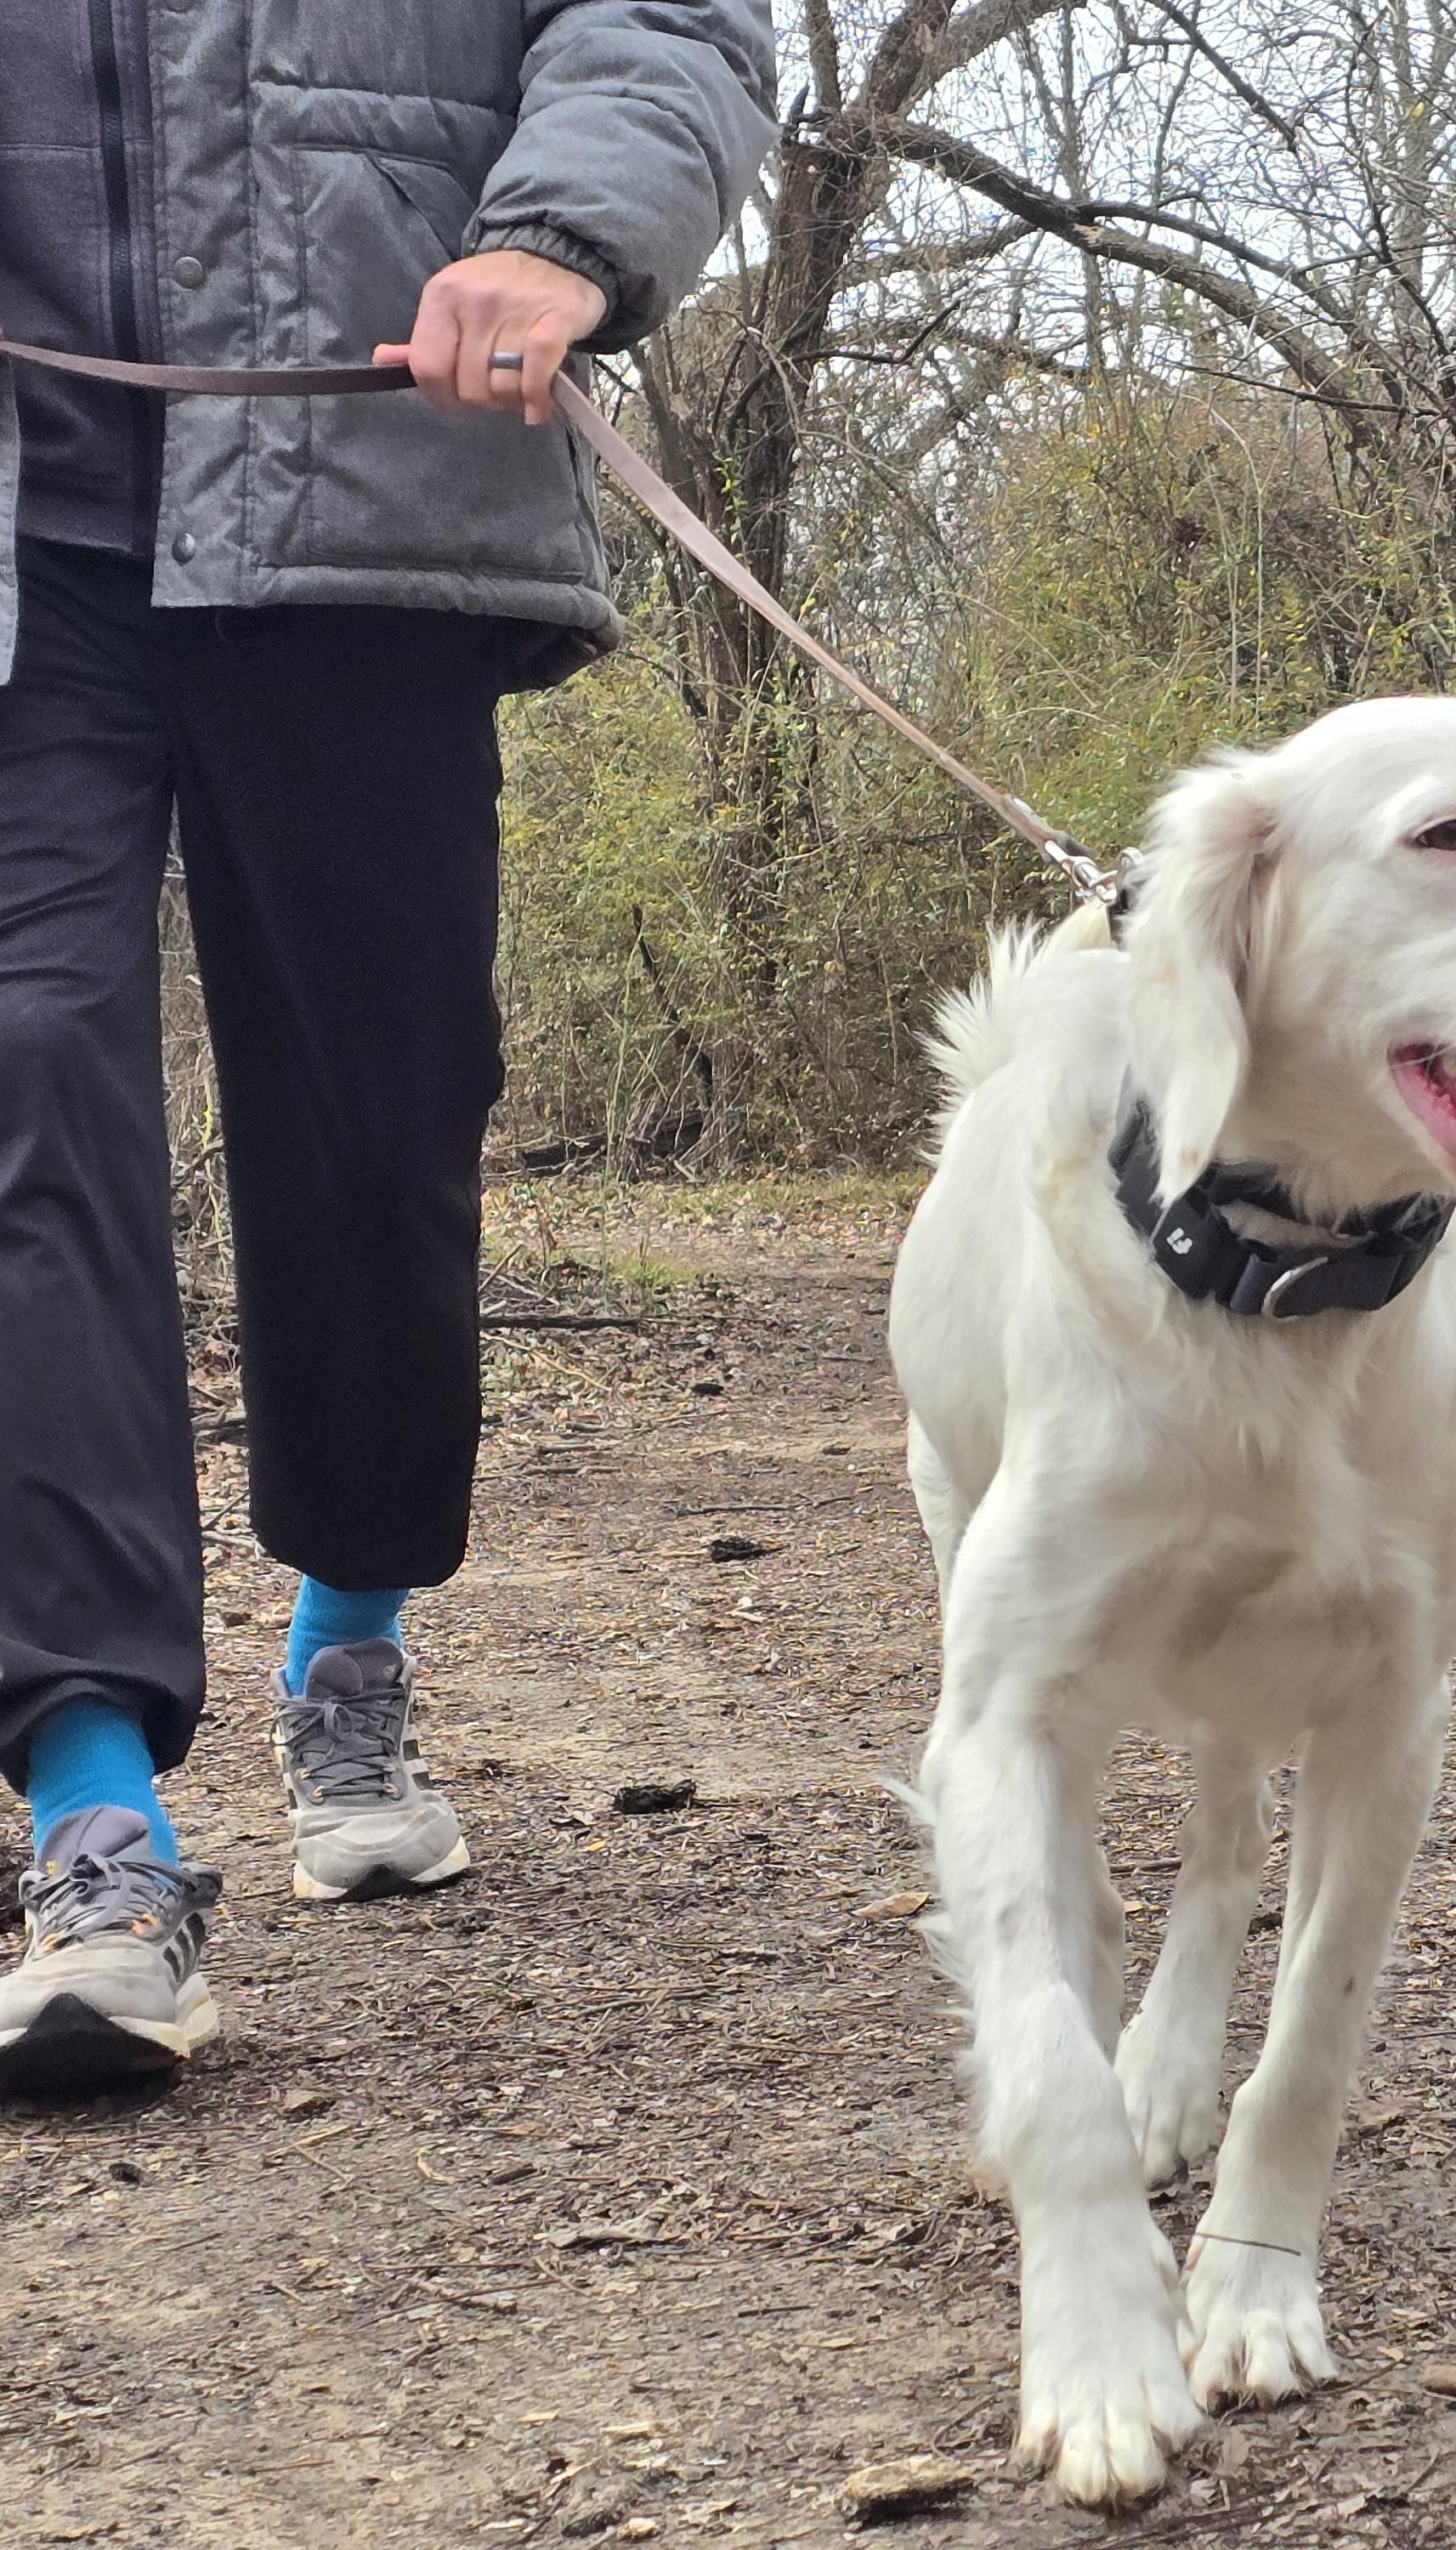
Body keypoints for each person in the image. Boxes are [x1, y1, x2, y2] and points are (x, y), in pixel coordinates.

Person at [0, 3, 776, 2094]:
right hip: (22, 546)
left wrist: (567, 236)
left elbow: (668, 18)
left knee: (377, 1121)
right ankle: (91, 1813)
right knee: (23, 1097)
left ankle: (352, 1630)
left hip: (353, 482)